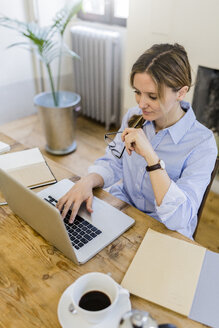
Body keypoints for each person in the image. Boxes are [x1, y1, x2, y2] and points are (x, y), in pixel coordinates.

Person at [57, 43, 218, 239]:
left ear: (181, 93)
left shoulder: (203, 143)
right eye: (137, 92)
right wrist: (87, 181)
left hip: (165, 228)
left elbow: (180, 217)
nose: (141, 104)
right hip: (124, 207)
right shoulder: (135, 116)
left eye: (152, 96)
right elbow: (113, 161)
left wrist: (151, 157)